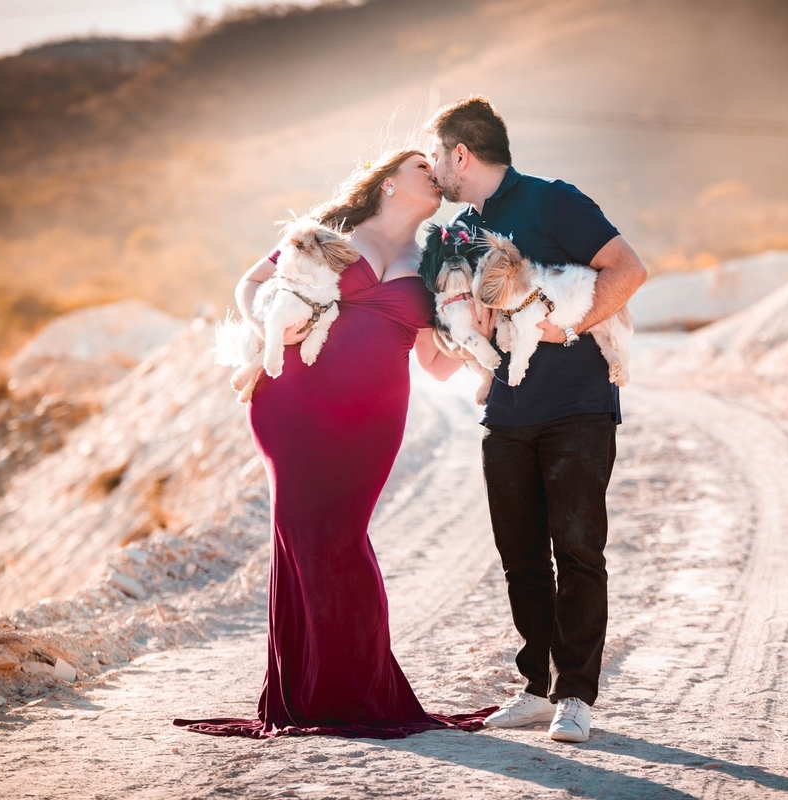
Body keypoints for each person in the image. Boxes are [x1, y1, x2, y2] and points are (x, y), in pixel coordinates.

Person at [173, 150, 493, 739]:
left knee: (342, 537)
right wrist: (270, 320)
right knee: (306, 533)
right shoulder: (331, 234)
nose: (434, 172)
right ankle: (325, 690)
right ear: (389, 182)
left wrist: (479, 329)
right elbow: (251, 283)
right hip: (292, 401)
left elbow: (435, 364)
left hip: (374, 416)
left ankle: (349, 688)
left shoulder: (434, 262)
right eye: (421, 164)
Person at [427, 97, 648, 743]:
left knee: (577, 552)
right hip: (506, 412)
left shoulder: (554, 200)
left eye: (438, 155)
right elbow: (456, 327)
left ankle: (575, 697)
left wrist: (567, 325)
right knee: (519, 557)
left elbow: (629, 269)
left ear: (460, 153)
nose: (435, 166)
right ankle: (535, 687)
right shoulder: (461, 231)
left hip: (577, 408)